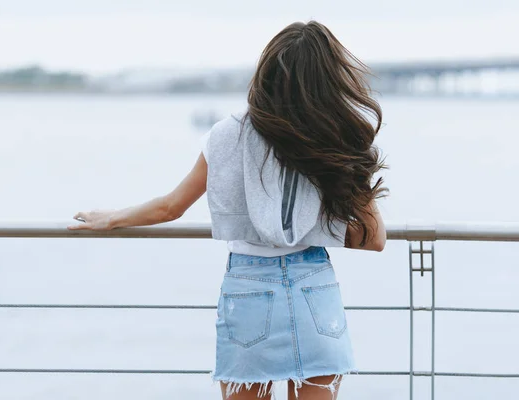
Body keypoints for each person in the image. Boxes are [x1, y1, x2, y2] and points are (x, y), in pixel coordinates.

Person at [69, 20, 387, 400]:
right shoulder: (339, 138)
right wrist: (317, 226)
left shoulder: (228, 134)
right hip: (314, 290)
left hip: (249, 291)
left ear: (267, 72)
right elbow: (374, 239)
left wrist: (113, 217)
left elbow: (171, 207)